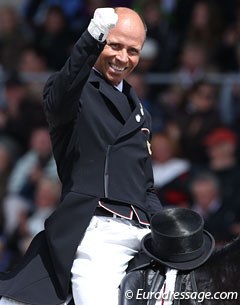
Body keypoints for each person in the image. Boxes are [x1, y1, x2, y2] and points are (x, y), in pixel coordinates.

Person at [0, 7, 162, 305]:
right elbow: (61, 92)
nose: (122, 58)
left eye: (132, 50)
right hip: (99, 230)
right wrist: (91, 36)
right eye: (114, 45)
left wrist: (167, 225)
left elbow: (146, 187)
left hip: (143, 234)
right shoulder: (74, 91)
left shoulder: (142, 114)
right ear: (99, 40)